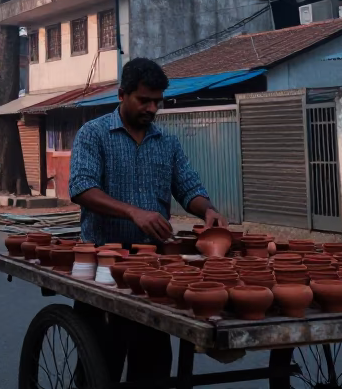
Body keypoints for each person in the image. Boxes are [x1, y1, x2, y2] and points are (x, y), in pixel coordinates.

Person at [69, 58, 226, 383]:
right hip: (103, 265)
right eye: (144, 100)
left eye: (158, 101)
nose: (152, 108)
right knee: (101, 364)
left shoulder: (166, 142)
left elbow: (189, 187)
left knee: (152, 365)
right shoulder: (93, 134)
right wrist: (132, 211)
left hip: (154, 271)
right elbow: (82, 188)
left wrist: (207, 210)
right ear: (122, 94)